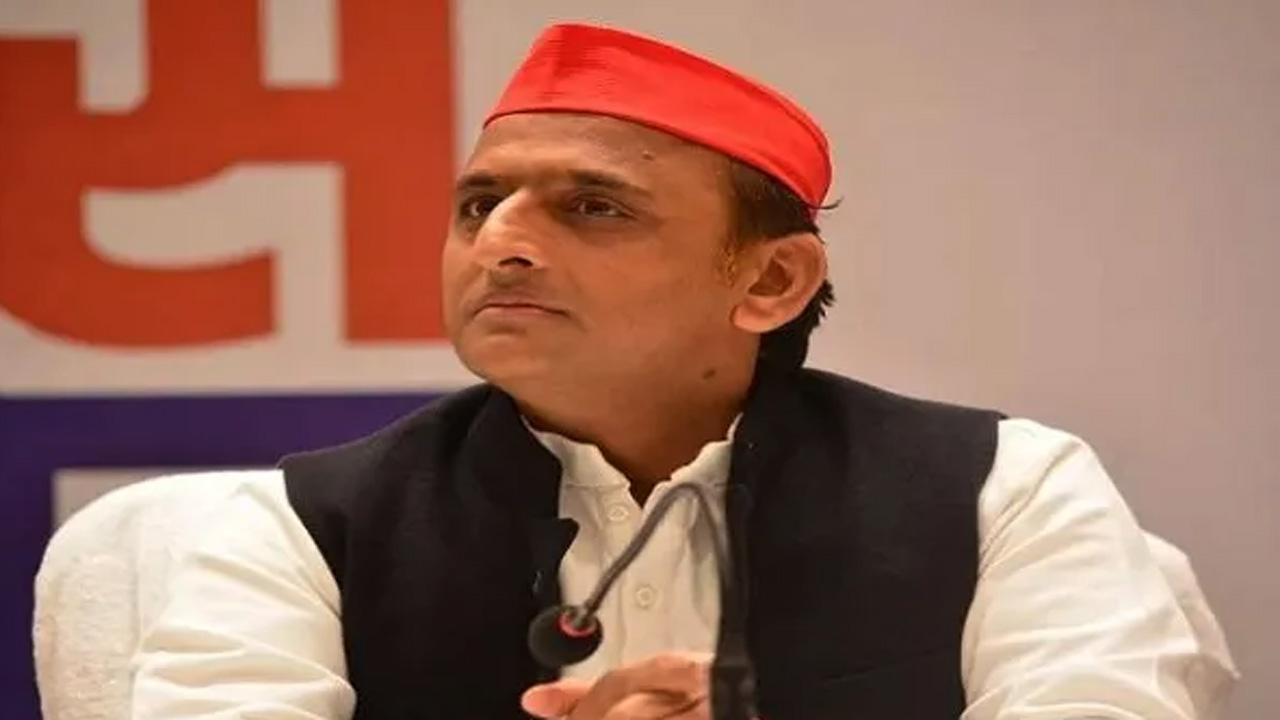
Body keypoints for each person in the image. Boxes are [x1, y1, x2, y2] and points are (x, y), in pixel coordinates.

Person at [131, 22, 1228, 720]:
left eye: (592, 206)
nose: (499, 243)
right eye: (479, 203)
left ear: (770, 281)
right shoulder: (300, 525)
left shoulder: (1006, 490)